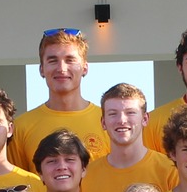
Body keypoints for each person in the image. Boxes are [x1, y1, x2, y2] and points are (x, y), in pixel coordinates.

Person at [11, 28, 112, 167]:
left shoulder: (109, 123)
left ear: (85, 68)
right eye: (53, 61)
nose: (61, 68)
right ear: (41, 69)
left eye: (70, 60)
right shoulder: (21, 128)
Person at [83, 83, 178, 192]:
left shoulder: (170, 171)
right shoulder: (86, 177)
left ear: (145, 119)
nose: (122, 120)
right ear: (103, 123)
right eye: (113, 114)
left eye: (130, 113)